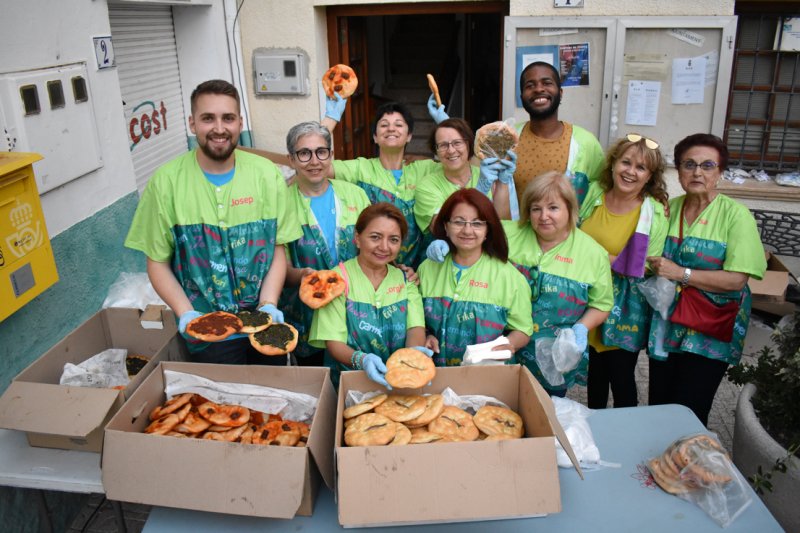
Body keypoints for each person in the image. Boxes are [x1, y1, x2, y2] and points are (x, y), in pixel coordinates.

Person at [124, 79, 301, 365]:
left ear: (240, 123)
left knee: (275, 402)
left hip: (265, 326)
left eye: (228, 118)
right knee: (222, 407)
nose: (219, 128)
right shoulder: (166, 183)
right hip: (208, 333)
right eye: (208, 118)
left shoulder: (267, 176)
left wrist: (268, 303)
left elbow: (277, 249)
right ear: (192, 124)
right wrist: (185, 312)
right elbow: (156, 261)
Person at [646, 133, 767, 426]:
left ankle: (690, 464)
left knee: (690, 408)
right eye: (689, 164)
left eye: (707, 165)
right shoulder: (667, 209)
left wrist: (681, 274)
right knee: (658, 402)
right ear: (679, 170)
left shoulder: (736, 216)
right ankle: (657, 464)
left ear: (720, 173)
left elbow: (737, 280)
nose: (697, 172)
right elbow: (649, 258)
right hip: (668, 323)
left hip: (711, 326)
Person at [578, 133, 669, 408]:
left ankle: (625, 436)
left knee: (621, 377)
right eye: (626, 162)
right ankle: (593, 435)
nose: (630, 171)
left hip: (624, 306)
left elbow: (646, 267)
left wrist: (596, 256)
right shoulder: (594, 193)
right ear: (613, 164)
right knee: (594, 373)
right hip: (587, 297)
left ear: (650, 176)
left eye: (641, 167)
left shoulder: (653, 211)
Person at [502, 172, 613, 396]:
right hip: (504, 350)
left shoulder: (592, 253)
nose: (544, 216)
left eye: (553, 208)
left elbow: (602, 303)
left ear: (570, 210)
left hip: (553, 356)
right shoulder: (507, 235)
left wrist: (581, 328)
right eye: (536, 208)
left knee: (548, 416)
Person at [308, 202, 429, 388]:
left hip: (398, 382)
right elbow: (333, 343)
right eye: (375, 237)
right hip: (349, 383)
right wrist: (361, 360)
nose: (384, 247)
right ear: (357, 238)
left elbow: (415, 329)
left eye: (394, 240)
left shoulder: (406, 281)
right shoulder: (334, 280)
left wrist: (410, 363)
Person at [280, 121, 370, 366]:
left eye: (321, 152)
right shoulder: (282, 203)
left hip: (355, 308)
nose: (314, 161)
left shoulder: (354, 195)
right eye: (304, 153)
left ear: (331, 155)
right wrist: (303, 275)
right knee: (317, 382)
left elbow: (372, 247)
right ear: (292, 159)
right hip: (305, 312)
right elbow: (279, 267)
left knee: (354, 375)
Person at [418, 189, 533, 366]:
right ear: (446, 226)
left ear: (488, 230)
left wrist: (507, 345)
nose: (467, 230)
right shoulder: (427, 268)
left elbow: (522, 330)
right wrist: (425, 335)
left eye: (477, 223)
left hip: (485, 376)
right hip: (433, 373)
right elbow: (414, 319)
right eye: (459, 222)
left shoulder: (509, 276)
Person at [329, 102, 439, 267]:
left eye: (399, 124)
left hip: (420, 270)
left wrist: (446, 124)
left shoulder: (424, 169)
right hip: (375, 268)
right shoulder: (360, 168)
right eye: (384, 125)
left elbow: (463, 163)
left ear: (409, 135)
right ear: (375, 137)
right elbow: (317, 164)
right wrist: (329, 121)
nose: (391, 129)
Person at [512, 61, 605, 207]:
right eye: (530, 86)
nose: (538, 89)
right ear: (522, 96)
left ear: (560, 93)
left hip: (567, 230)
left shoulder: (586, 143)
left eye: (547, 83)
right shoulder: (508, 137)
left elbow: (600, 190)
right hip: (514, 229)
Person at [414, 118, 514, 251]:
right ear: (436, 152)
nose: (451, 150)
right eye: (443, 145)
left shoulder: (486, 175)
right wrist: (480, 191)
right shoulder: (427, 186)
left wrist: (502, 182)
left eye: (457, 143)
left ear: (469, 145)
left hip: (487, 257)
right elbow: (442, 231)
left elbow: (503, 224)